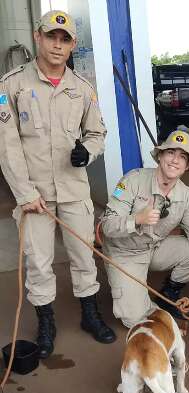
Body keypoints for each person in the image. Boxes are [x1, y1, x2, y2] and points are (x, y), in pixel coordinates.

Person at [0, 10, 116, 359]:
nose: (57, 44)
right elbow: (8, 145)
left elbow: (98, 133)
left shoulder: (82, 89)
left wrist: (88, 150)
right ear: (38, 36)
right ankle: (46, 323)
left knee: (84, 257)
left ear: (72, 45)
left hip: (73, 191)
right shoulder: (13, 84)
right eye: (51, 36)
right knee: (39, 262)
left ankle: (89, 315)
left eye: (65, 39)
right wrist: (24, 193)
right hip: (33, 195)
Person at [100, 130, 189, 328]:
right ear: (160, 156)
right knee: (134, 319)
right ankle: (147, 304)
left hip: (154, 248)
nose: (175, 160)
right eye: (170, 153)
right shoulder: (133, 180)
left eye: (182, 157)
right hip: (125, 252)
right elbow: (107, 226)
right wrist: (136, 219)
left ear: (187, 166)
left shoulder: (187, 195)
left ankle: (168, 294)